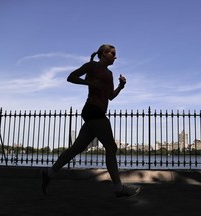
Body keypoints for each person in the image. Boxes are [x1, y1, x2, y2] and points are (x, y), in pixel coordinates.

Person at [42, 44, 140, 198]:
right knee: (111, 147)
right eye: (113, 53)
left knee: (77, 148)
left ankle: (49, 173)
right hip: (92, 110)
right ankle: (118, 188)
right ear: (104, 53)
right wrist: (89, 83)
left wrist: (121, 86)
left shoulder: (110, 73)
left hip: (97, 112)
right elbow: (71, 77)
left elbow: (110, 97)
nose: (116, 56)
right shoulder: (92, 66)